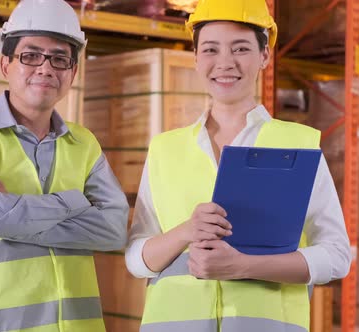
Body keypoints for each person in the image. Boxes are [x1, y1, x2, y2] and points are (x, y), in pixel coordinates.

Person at [124, 0, 351, 331]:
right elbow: (136, 259)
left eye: (241, 48)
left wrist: (243, 266)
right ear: (197, 57)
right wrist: (186, 231)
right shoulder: (165, 149)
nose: (225, 63)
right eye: (211, 49)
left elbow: (336, 255)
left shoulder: (298, 145)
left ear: (264, 56)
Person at [0, 0, 129, 331]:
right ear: (5, 64)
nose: (46, 68)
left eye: (60, 59)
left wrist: (16, 215)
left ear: (73, 72)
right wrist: (74, 202)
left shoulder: (84, 143)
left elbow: (114, 230)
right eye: (30, 56)